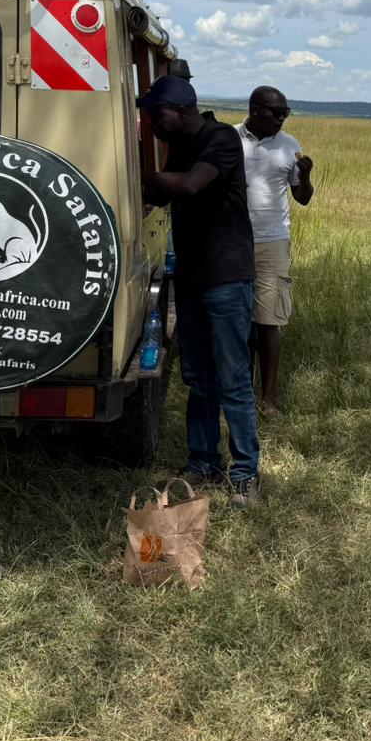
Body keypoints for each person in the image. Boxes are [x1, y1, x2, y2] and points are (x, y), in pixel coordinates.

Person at [136, 75, 261, 508]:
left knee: (233, 378)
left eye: (157, 115)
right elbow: (167, 192)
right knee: (199, 378)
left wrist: (131, 172)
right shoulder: (181, 145)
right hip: (191, 278)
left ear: (183, 110)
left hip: (227, 277)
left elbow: (187, 185)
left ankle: (245, 473)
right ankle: (203, 461)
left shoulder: (221, 139)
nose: (151, 123)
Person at [237, 86, 314, 418]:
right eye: (276, 113)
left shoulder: (290, 146)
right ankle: (239, 390)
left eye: (286, 112)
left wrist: (306, 176)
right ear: (255, 110)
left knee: (269, 320)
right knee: (237, 321)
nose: (282, 119)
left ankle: (267, 399)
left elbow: (303, 198)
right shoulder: (230, 139)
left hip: (272, 242)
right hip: (234, 240)